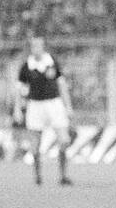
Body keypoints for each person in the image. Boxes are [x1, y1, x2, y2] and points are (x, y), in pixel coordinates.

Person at [14, 34, 73, 187]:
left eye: (39, 45)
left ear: (43, 47)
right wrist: (18, 109)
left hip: (54, 104)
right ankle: (38, 177)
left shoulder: (52, 62)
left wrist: (68, 106)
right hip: (35, 105)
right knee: (35, 145)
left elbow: (62, 85)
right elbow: (19, 90)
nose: (36, 49)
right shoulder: (26, 66)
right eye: (33, 46)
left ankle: (63, 176)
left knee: (64, 140)